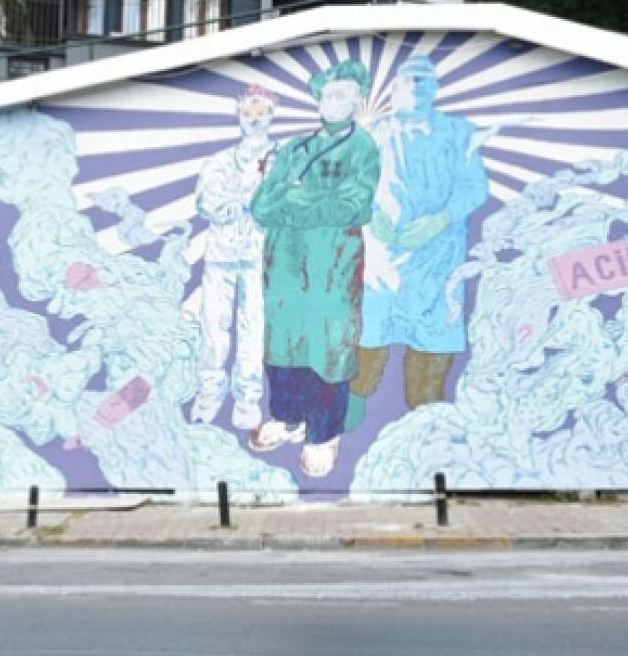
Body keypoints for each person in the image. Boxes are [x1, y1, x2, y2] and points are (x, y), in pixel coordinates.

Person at [249, 60, 380, 478]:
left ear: (358, 101)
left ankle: (323, 433)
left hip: (331, 267)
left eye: (343, 94)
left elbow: (354, 205)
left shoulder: (362, 148)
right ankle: (286, 416)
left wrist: (296, 201)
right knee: (283, 341)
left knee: (328, 346)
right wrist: (303, 200)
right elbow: (262, 205)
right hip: (285, 266)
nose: (333, 101)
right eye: (327, 94)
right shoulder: (294, 149)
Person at [350, 55, 490, 417]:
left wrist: (440, 220)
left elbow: (474, 187)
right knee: (370, 337)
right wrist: (373, 214)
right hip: (382, 259)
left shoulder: (458, 133)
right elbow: (353, 183)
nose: (417, 88)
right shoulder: (372, 134)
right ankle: (350, 418)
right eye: (409, 80)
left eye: (424, 80)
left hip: (438, 257)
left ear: (436, 88)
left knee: (432, 342)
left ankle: (426, 420)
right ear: (394, 89)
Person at [190, 85, 279, 430]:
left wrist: (249, 201)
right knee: (214, 328)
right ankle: (210, 392)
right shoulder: (221, 161)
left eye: (262, 113)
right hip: (221, 256)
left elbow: (280, 204)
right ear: (239, 116)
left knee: (253, 329)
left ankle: (247, 398)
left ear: (272, 116)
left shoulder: (282, 160)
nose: (255, 121)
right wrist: (249, 201)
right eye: (248, 114)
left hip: (261, 257)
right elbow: (208, 203)